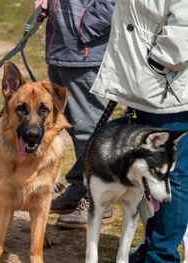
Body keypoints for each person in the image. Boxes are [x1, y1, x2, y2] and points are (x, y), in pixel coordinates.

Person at [90, 0, 188, 262]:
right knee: (148, 174)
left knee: (172, 177)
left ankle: (161, 256)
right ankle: (151, 246)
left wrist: (159, 62)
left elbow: (185, 21)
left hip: (168, 87)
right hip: (146, 87)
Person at [33, 0, 115, 228]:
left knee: (89, 130)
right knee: (75, 128)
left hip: (84, 54)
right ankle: (81, 186)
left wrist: (83, 28)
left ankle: (100, 199)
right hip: (61, 48)